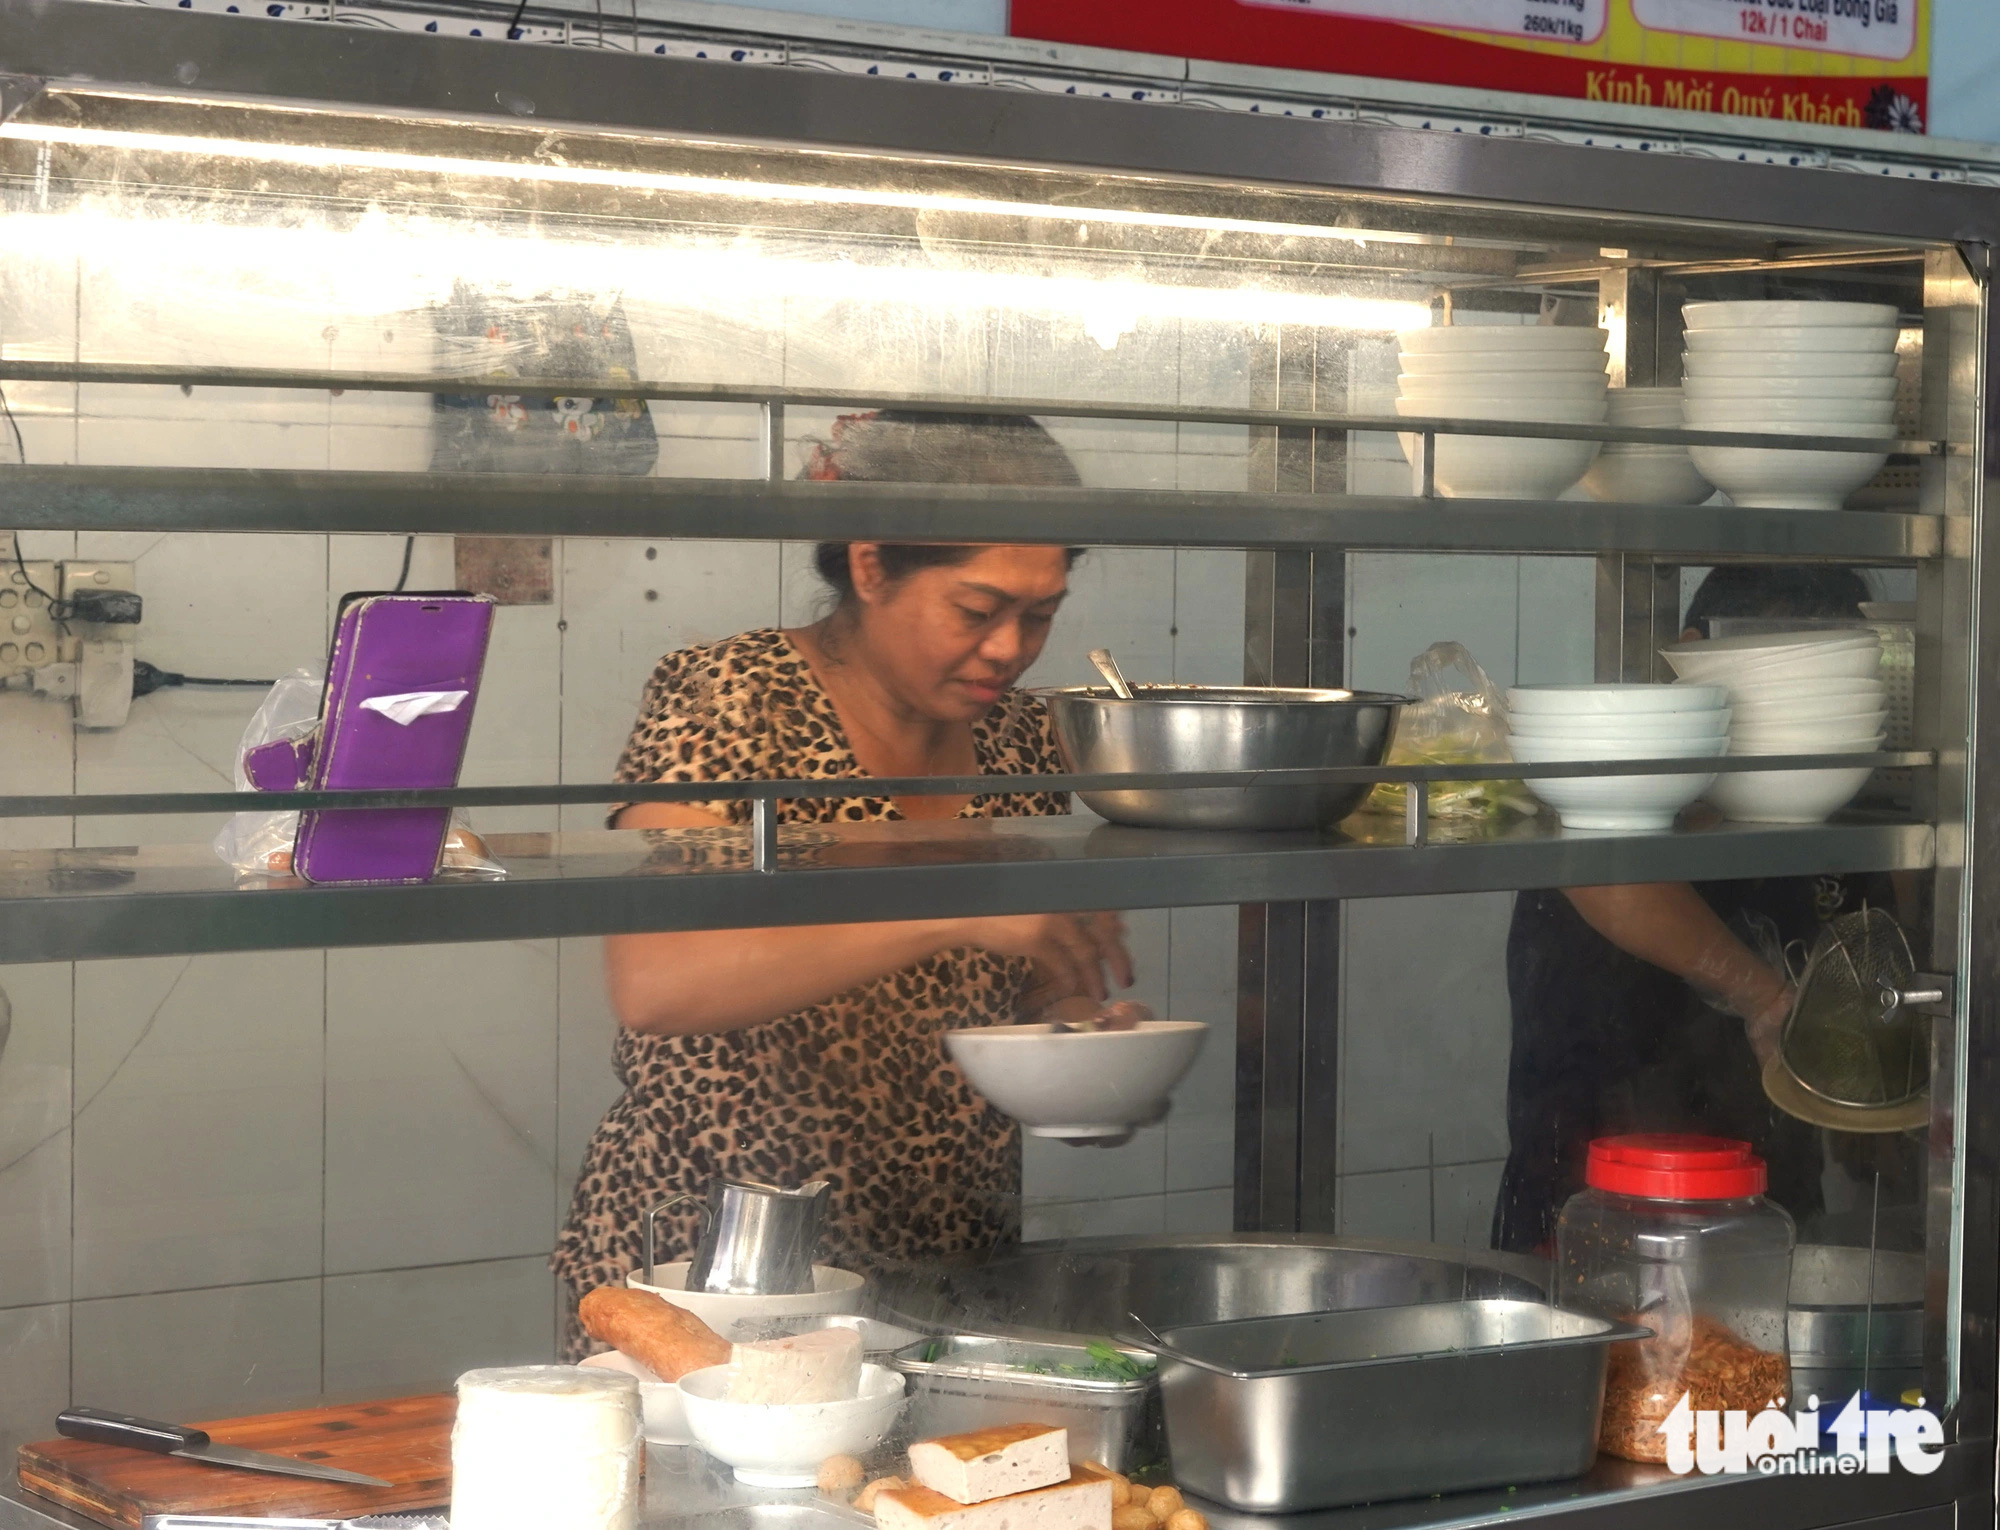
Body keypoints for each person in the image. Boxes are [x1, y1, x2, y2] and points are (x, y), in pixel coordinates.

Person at [552, 410, 1133, 1354]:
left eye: (1043, 614)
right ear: (871, 568)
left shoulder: (1024, 740)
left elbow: (1027, 987)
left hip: (951, 1259)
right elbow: (658, 984)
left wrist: (1081, 1044)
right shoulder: (730, 695)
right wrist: (953, 919)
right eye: (978, 611)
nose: (1010, 649)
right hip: (720, 1268)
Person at [1492, 565, 1898, 1255]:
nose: (1799, 719)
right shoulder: (1623, 776)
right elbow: (1603, 876)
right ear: (1690, 659)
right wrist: (1763, 995)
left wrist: (1879, 1100)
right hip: (1590, 1209)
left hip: (1768, 1207)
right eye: (1783, 680)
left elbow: (1878, 953)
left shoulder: (1828, 812)